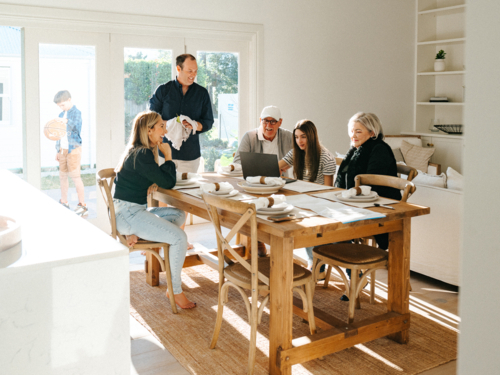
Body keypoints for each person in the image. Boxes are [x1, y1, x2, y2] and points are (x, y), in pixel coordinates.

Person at [113, 111, 196, 309]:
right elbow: (168, 181)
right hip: (129, 214)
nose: (165, 131)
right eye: (161, 126)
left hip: (131, 211)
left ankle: (137, 235)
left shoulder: (138, 151)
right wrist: (168, 157)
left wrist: (152, 180)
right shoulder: (141, 154)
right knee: (179, 238)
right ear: (149, 130)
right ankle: (175, 291)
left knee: (178, 214)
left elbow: (159, 180)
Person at [335, 112, 401, 300]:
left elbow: (371, 183)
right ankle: (348, 273)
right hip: (356, 205)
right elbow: (343, 179)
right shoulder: (355, 149)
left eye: (358, 131)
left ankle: (354, 275)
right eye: (351, 131)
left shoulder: (380, 149)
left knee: (335, 228)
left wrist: (347, 195)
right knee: (322, 223)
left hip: (378, 210)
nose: (353, 135)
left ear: (372, 132)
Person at [232, 105, 293, 257]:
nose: (268, 126)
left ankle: (278, 243)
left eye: (273, 122)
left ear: (280, 123)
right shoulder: (250, 136)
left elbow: (298, 157)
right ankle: (258, 238)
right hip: (255, 185)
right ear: (260, 121)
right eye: (265, 121)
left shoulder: (288, 137)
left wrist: (285, 165)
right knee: (251, 205)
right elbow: (238, 161)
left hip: (280, 185)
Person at [278, 119, 336, 268]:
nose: (299, 141)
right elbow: (274, 167)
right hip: (303, 200)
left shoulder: (325, 157)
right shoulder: (297, 153)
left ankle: (316, 264)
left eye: (303, 136)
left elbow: (328, 191)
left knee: (298, 218)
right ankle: (315, 263)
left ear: (312, 136)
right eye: (296, 137)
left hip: (321, 203)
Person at [149, 53, 214, 173]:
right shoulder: (163, 90)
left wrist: (195, 125)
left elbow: (208, 122)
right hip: (164, 153)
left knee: (188, 191)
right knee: (164, 191)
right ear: (178, 68)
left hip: (191, 157)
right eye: (189, 71)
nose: (193, 74)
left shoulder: (202, 93)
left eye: (195, 71)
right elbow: (150, 119)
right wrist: (171, 123)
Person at [53, 90, 87, 216]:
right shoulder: (61, 114)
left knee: (75, 176)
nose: (61, 108)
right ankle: (64, 201)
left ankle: (82, 204)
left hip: (74, 149)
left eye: (62, 105)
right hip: (62, 149)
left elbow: (77, 127)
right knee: (62, 176)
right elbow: (57, 133)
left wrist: (66, 121)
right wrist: (57, 150)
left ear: (69, 100)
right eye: (59, 106)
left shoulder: (76, 113)